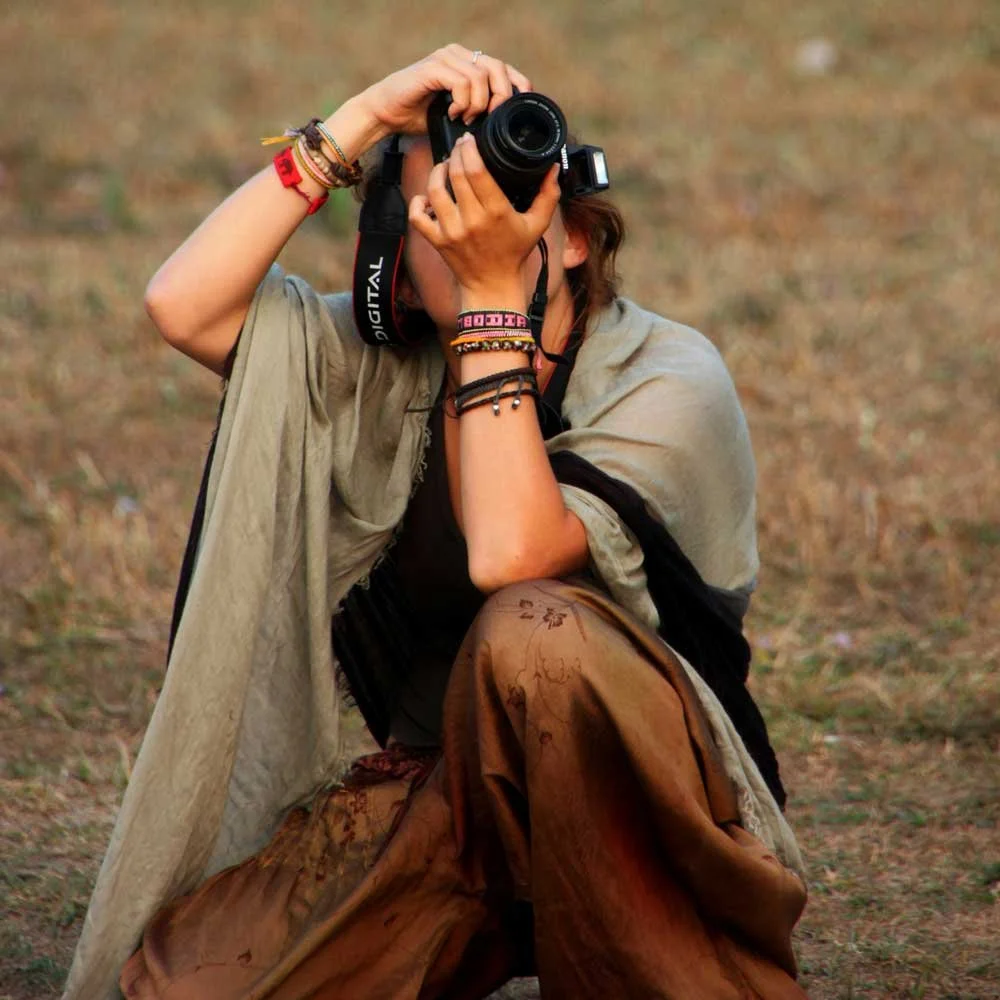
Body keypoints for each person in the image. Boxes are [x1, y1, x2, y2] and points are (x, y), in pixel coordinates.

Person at [64, 44, 808, 1000]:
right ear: (396, 260)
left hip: (661, 813)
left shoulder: (670, 378)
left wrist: (489, 305)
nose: (467, 230)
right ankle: (472, 925)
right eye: (434, 213)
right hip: (446, 805)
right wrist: (363, 118)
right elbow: (183, 303)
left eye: (494, 204)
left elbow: (512, 557)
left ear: (573, 236)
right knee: (177, 984)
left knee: (534, 637)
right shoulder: (383, 365)